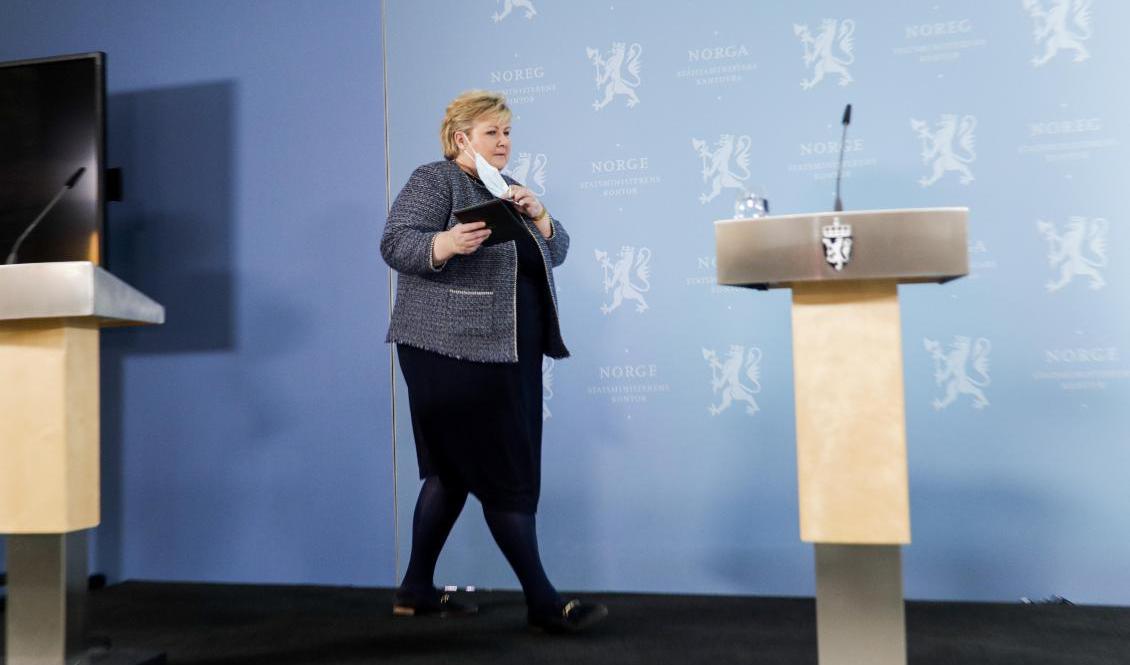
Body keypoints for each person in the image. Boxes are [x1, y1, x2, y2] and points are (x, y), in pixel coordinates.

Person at [380, 90, 607, 633]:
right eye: (492, 133)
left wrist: (543, 215)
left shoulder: (504, 188)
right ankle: (544, 601)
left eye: (507, 133)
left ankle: (414, 589)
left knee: (453, 471)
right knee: (502, 468)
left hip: (507, 353)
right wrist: (446, 243)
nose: (504, 142)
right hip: (449, 351)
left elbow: (553, 251)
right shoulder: (437, 180)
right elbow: (395, 243)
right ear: (462, 139)